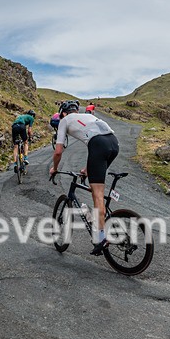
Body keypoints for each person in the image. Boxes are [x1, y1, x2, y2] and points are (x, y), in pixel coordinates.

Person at [50, 100, 120, 255]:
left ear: (63, 113)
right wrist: (87, 169)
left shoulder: (64, 121)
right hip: (114, 143)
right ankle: (102, 219)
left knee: (97, 195)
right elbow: (95, 147)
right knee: (94, 186)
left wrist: (54, 169)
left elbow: (58, 151)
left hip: (98, 144)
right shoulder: (87, 117)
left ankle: (101, 238)